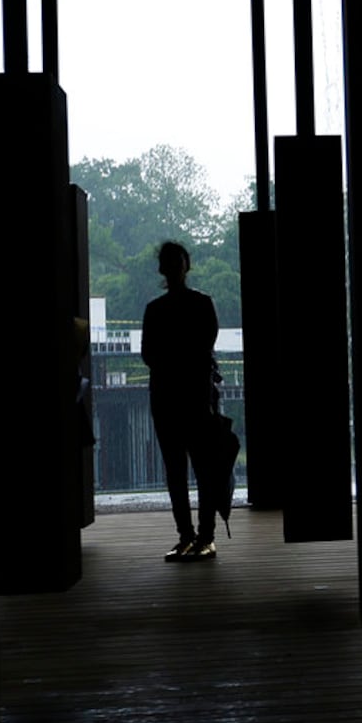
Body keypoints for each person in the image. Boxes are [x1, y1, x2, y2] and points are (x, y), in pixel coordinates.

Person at [141, 241, 221, 562]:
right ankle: (205, 536)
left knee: (176, 470)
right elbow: (206, 346)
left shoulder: (154, 310)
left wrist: (169, 362)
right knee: (203, 469)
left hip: (165, 396)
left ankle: (187, 536)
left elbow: (149, 355)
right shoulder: (203, 304)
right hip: (196, 395)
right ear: (186, 266)